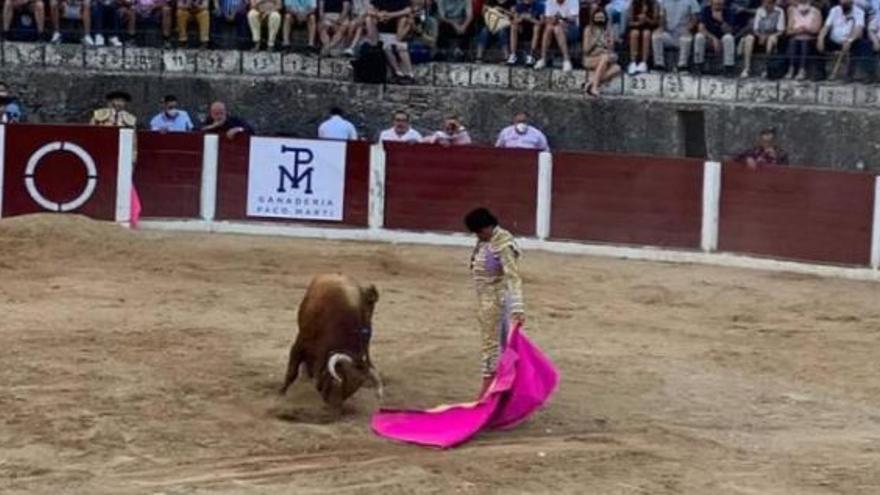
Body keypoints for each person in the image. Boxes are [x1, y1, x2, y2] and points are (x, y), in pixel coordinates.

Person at [464, 208, 525, 399]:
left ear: (488, 227)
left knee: (492, 345)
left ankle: (490, 389)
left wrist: (517, 307)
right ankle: (504, 386)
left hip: (497, 302)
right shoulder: (487, 240)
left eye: (479, 232)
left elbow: (513, 277)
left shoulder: (503, 244)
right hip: (486, 301)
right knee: (499, 344)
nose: (478, 236)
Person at [818, 0, 872, 81]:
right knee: (817, 44)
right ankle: (820, 73)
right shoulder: (834, 10)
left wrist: (850, 40)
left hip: (850, 42)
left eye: (846, 4)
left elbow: (859, 29)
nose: (843, 5)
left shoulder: (859, 12)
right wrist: (820, 38)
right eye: (842, 3)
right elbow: (826, 27)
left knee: (865, 45)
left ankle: (867, 74)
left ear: (851, 3)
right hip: (834, 41)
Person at [739, 0, 785, 78]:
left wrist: (767, 36)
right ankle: (747, 68)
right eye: (765, 3)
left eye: (769, 3)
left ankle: (766, 68)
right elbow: (755, 29)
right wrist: (760, 35)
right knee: (749, 38)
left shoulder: (780, 11)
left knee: (771, 39)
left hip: (773, 35)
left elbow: (781, 30)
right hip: (760, 35)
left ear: (773, 3)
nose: (767, 5)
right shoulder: (760, 10)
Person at [651, 0, 699, 72]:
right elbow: (662, 17)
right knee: (656, 36)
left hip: (683, 32)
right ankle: (659, 65)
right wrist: (661, 28)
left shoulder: (692, 1)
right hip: (669, 34)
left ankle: (682, 66)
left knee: (686, 39)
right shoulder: (663, 1)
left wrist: (688, 29)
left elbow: (695, 19)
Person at [582, 9, 621, 96]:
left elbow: (611, 49)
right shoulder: (588, 29)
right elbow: (586, 50)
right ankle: (594, 87)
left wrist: (608, 42)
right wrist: (596, 40)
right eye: (597, 17)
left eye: (601, 17)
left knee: (617, 68)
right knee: (604, 57)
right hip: (590, 59)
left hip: (605, 58)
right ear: (593, 18)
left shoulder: (608, 30)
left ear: (605, 18)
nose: (599, 19)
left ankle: (590, 83)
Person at [694, 0, 737, 76]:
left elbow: (729, 31)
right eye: (716, 4)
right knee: (699, 37)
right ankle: (698, 66)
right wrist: (713, 39)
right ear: (711, 3)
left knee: (729, 38)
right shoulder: (706, 10)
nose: (718, 6)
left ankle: (728, 68)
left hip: (722, 40)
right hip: (709, 39)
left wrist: (721, 21)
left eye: (720, 4)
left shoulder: (728, 11)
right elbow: (701, 28)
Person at [785, 0, 822, 80]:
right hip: (796, 37)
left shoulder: (816, 12)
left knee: (804, 43)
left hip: (810, 38)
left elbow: (817, 30)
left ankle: (802, 70)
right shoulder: (793, 11)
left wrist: (807, 30)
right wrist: (797, 30)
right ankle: (791, 69)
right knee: (793, 42)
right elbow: (788, 31)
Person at [625, 0, 658, 74]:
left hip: (649, 26)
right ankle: (633, 62)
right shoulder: (633, 3)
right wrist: (638, 23)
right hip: (635, 26)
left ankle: (644, 62)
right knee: (634, 33)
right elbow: (629, 21)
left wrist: (646, 19)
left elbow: (655, 22)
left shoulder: (654, 4)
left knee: (646, 34)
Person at [507, 0, 544, 65]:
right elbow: (514, 21)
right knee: (513, 27)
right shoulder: (519, 6)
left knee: (537, 27)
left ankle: (531, 55)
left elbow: (542, 22)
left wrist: (531, 19)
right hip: (522, 29)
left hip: (534, 28)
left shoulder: (539, 5)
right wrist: (521, 18)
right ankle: (513, 55)